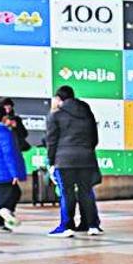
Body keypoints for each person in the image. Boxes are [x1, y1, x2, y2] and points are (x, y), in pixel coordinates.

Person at [46, 85, 102, 237]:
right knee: (86, 192)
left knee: (67, 193)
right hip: (87, 158)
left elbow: (52, 141)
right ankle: (92, 225)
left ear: (59, 99)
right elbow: (94, 138)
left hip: (64, 160)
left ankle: (66, 226)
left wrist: (51, 161)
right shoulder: (87, 113)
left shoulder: (55, 116)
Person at [0, 104, 26, 232]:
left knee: (5, 195)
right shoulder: (4, 132)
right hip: (3, 171)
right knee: (11, 194)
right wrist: (14, 173)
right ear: (3, 117)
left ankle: (1, 221)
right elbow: (9, 154)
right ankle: (4, 214)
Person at [0, 98, 30, 214]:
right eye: (5, 107)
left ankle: (4, 215)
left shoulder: (15, 119)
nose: (8, 109)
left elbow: (24, 134)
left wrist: (16, 126)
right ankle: (1, 218)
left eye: (10, 107)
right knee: (8, 192)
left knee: (10, 192)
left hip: (11, 155)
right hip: (1, 161)